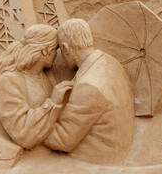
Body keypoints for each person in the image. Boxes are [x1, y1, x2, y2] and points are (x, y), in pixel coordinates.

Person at [44, 18, 135, 165]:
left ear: (66, 48)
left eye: (60, 49)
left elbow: (62, 140)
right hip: (119, 149)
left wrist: (29, 128)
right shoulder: (111, 61)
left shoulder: (88, 85)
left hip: (94, 160)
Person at [0, 24, 73, 149]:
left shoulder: (42, 76)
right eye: (55, 49)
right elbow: (22, 134)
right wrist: (53, 102)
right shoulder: (9, 81)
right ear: (45, 51)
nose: (57, 54)